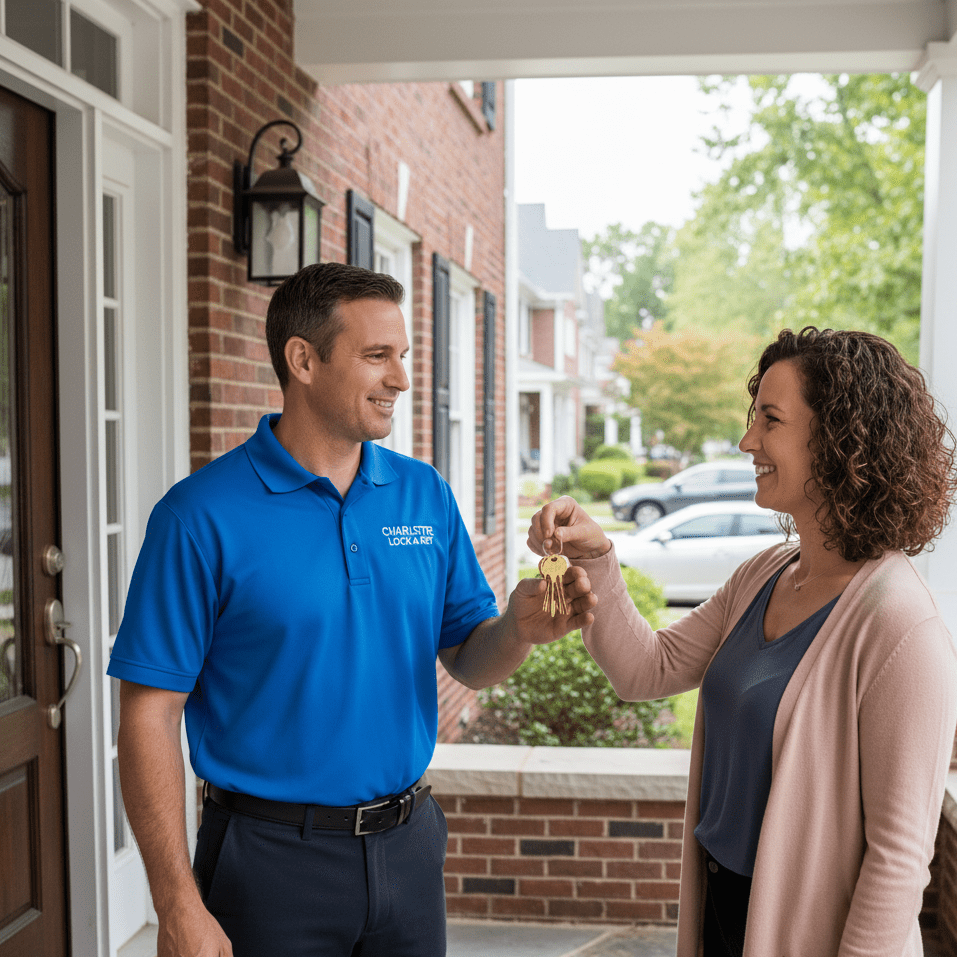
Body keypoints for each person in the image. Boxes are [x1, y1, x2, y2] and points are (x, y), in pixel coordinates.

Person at [109, 262, 597, 957]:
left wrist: (518, 630)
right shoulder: (198, 516)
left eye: (402, 355)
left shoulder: (424, 495)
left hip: (408, 849)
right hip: (268, 863)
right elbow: (148, 714)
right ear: (303, 360)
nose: (401, 378)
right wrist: (175, 903)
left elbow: (468, 657)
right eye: (377, 356)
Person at [528, 327, 957, 957]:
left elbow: (898, 858)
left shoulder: (900, 627)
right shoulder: (765, 574)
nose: (747, 440)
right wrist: (596, 554)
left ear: (841, 440)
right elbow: (647, 669)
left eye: (770, 420)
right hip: (722, 911)